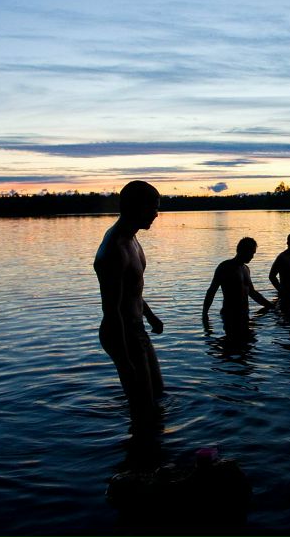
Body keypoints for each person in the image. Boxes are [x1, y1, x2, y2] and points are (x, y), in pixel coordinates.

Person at [94, 180, 164, 426]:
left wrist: (150, 315)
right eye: (153, 207)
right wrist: (126, 361)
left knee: (157, 393)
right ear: (136, 206)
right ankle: (141, 458)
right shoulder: (115, 249)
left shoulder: (133, 239)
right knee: (142, 404)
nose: (157, 214)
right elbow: (112, 311)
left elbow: (132, 291)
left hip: (137, 328)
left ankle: (154, 456)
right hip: (121, 333)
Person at [203, 237, 275, 336]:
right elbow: (211, 291)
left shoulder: (246, 269)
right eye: (251, 253)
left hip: (245, 315)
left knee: (248, 347)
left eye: (254, 253)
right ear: (242, 250)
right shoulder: (225, 267)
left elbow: (252, 292)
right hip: (230, 316)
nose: (252, 256)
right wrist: (205, 316)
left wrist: (270, 306)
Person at [269, 233, 290, 302]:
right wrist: (282, 291)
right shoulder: (282, 257)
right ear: (288, 243)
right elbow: (272, 276)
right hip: (286, 296)